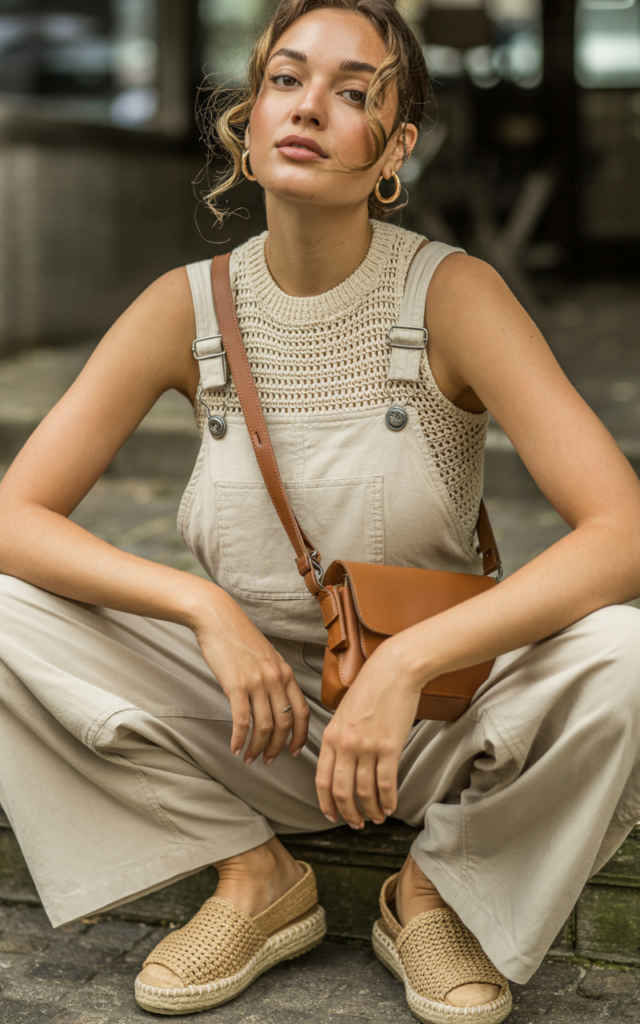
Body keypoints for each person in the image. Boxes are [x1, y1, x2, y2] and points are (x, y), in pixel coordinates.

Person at [1, 0, 639, 1020]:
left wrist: (404, 662)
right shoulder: (186, 305)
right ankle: (252, 873)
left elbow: (623, 532)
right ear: (246, 123)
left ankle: (437, 891)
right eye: (285, 80)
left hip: (436, 724)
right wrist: (200, 610)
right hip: (251, 722)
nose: (308, 108)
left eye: (353, 93)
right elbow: (14, 516)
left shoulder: (451, 294)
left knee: (624, 650)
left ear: (395, 147)